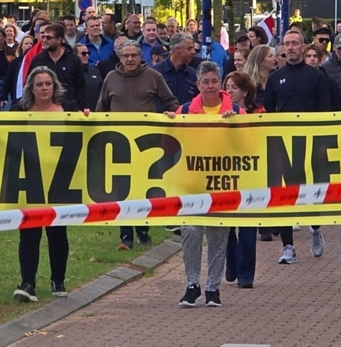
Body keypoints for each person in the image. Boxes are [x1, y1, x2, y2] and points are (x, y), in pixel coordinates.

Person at [0, 67, 72, 303]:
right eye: (39, 84)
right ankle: (28, 283)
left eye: (48, 84)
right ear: (31, 88)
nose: (44, 88)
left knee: (57, 232)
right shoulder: (18, 110)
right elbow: (3, 138)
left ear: (55, 86)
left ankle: (58, 279)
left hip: (59, 179)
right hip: (28, 178)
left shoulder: (68, 110)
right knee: (29, 233)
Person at [95, 40, 179, 250]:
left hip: (147, 144)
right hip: (119, 143)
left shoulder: (154, 77)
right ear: (120, 57)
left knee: (143, 188)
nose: (130, 59)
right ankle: (126, 235)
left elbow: (172, 103)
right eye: (126, 55)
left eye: (134, 55)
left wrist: (170, 113)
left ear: (140, 57)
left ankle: (143, 230)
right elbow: (101, 109)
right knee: (122, 190)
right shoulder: (111, 78)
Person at [176, 61, 241, 310]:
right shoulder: (184, 111)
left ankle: (213, 287)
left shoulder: (235, 110)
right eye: (206, 82)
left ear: (221, 83)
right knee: (191, 233)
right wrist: (169, 124)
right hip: (192, 184)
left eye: (215, 81)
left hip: (223, 185)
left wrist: (235, 126)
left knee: (218, 236)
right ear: (198, 85)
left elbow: (249, 147)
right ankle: (192, 284)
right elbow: (169, 146)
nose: (211, 86)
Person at [263, 30, 332, 263]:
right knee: (284, 195)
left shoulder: (317, 76)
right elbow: (269, 113)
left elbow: (325, 111)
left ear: (303, 47)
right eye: (287, 44)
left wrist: (323, 144)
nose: (291, 47)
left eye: (295, 44)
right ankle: (288, 246)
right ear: (282, 47)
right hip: (283, 144)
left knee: (312, 192)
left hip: (312, 144)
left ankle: (315, 227)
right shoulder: (274, 79)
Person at [222, 70, 261, 288]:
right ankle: (232, 263)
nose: (229, 91)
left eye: (234, 87)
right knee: (227, 228)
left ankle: (246, 274)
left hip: (250, 174)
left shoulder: (258, 112)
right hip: (226, 175)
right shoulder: (219, 112)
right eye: (227, 87)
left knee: (247, 228)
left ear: (245, 91)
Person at [31, 23, 88, 111]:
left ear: (59, 40)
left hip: (69, 110)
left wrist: (77, 108)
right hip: (43, 110)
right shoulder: (38, 60)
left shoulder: (73, 59)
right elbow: (30, 83)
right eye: (43, 37)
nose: (45, 40)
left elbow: (80, 86)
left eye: (49, 37)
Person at [152, 33, 199, 108]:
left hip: (186, 118)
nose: (193, 52)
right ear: (177, 49)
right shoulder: (154, 73)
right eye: (189, 48)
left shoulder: (194, 75)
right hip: (160, 118)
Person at [243, 44, 277, 111]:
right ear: (261, 61)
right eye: (270, 56)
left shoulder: (277, 79)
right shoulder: (248, 83)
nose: (275, 58)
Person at [76, 43, 103, 111]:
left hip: (96, 114)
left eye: (88, 53)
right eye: (84, 53)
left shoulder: (96, 72)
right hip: (77, 114)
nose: (87, 56)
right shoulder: (71, 74)